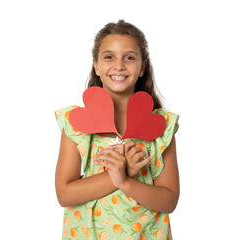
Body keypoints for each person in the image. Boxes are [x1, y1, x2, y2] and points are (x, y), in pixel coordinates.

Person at [54, 19, 180, 240]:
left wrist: (125, 181)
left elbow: (168, 200)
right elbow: (65, 194)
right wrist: (118, 175)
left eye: (129, 57)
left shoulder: (160, 125)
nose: (119, 65)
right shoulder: (76, 122)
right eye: (109, 57)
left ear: (142, 67)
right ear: (96, 65)